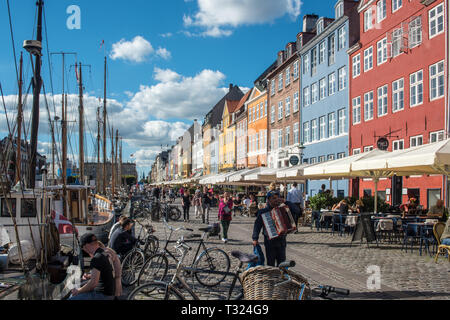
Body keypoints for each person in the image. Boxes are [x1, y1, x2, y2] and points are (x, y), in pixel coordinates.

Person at [252, 190, 300, 267]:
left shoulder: (283, 208)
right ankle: (272, 278)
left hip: (281, 241)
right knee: (270, 264)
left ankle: (281, 278)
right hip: (269, 241)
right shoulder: (263, 212)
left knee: (282, 264)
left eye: (278, 198)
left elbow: (297, 210)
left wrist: (286, 201)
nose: (276, 200)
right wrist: (255, 238)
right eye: (274, 198)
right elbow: (257, 225)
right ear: (268, 200)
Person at [69, 233, 115, 300]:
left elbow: (93, 284)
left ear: (86, 245)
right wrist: (91, 275)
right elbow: (106, 272)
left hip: (102, 295)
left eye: (83, 247)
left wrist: (78, 291)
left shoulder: (96, 258)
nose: (85, 250)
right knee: (80, 286)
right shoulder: (104, 253)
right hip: (110, 292)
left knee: (72, 298)